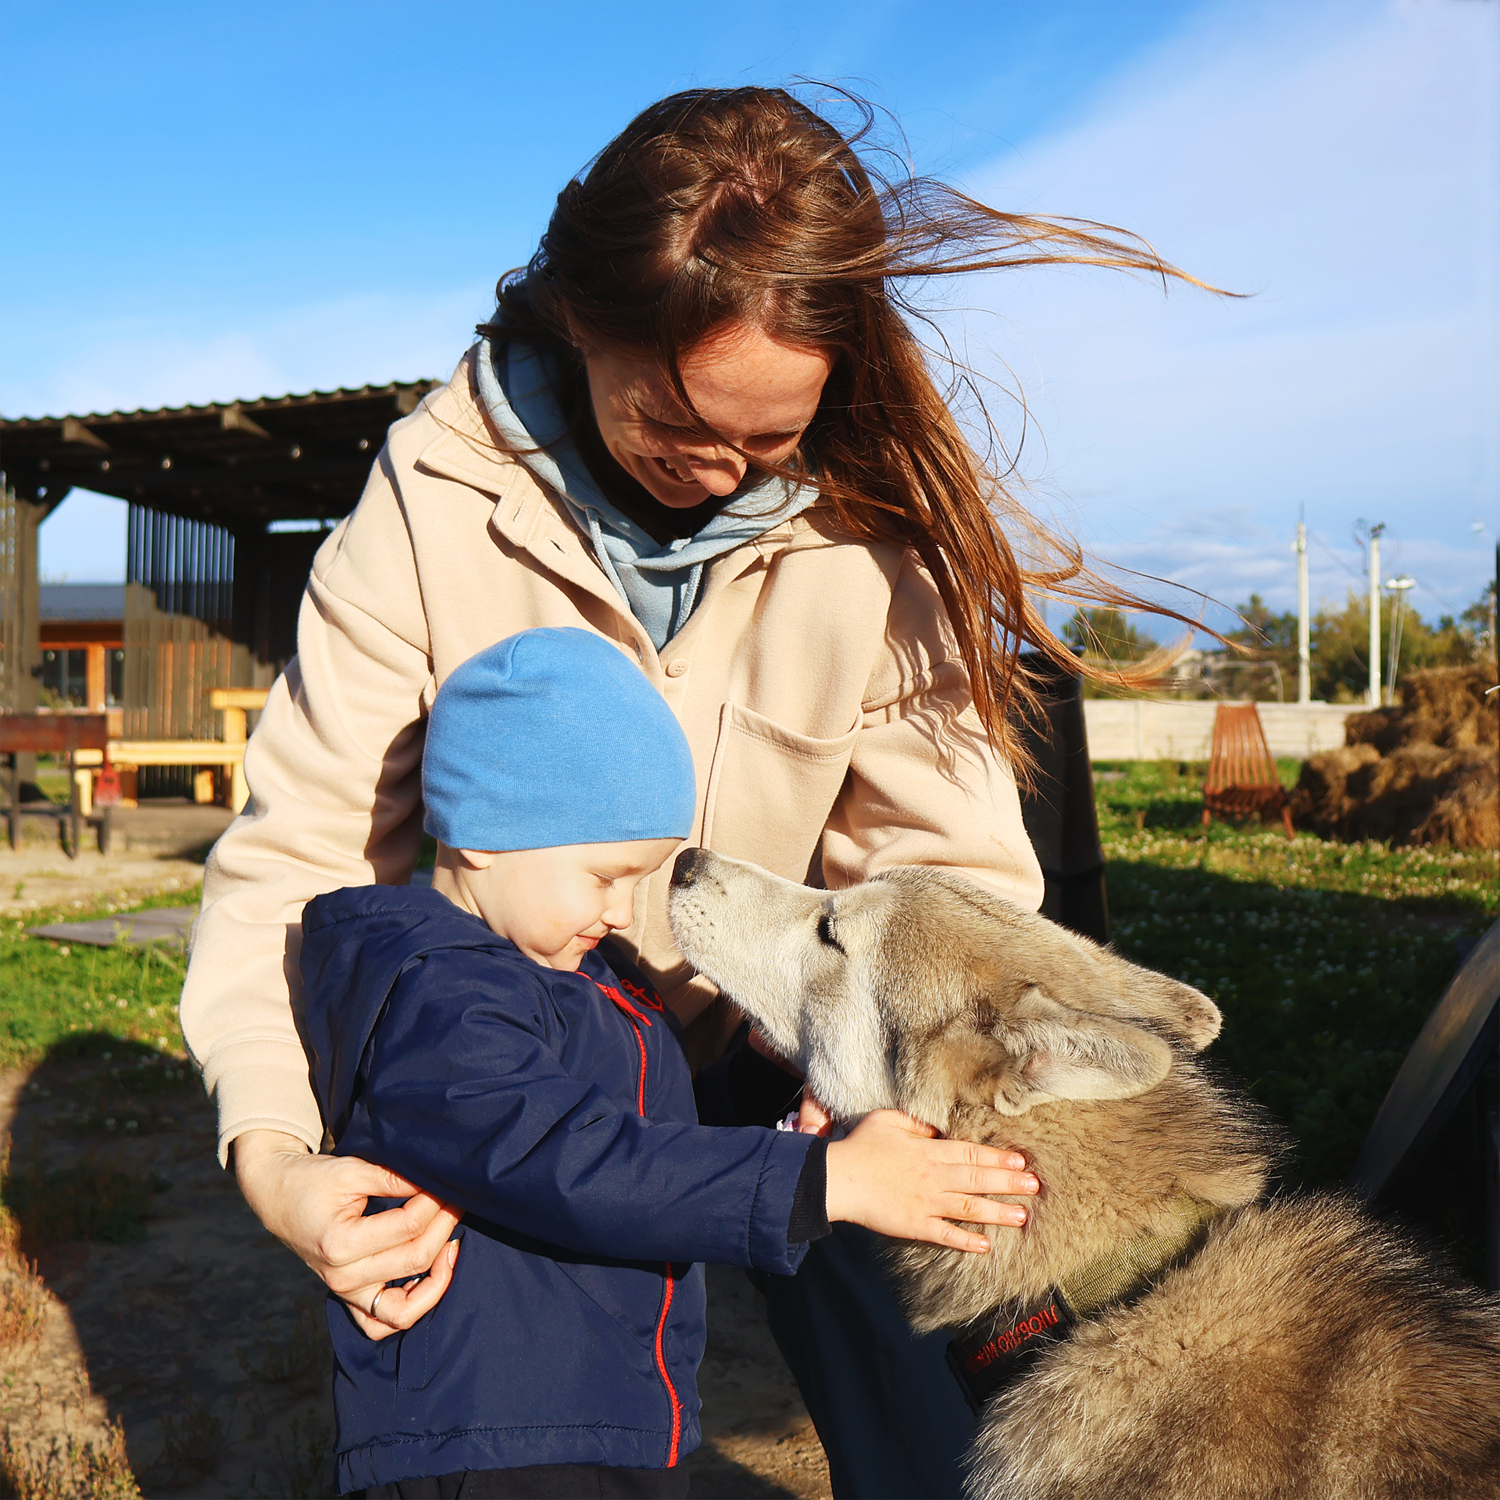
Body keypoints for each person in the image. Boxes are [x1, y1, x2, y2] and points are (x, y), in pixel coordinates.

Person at [182, 86, 1213, 1497]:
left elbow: (949, 874)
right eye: (677, 414)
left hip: (780, 1042)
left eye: (771, 438)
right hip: (530, 1040)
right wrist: (275, 1155)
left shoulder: (879, 533)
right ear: (582, 320)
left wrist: (848, 1101)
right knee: (517, 1434)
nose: (718, 469)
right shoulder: (430, 499)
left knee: (953, 1430)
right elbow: (298, 860)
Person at [301, 626, 1036, 1498]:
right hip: (491, 1439)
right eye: (605, 875)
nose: (620, 911)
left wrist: (770, 1080)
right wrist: (826, 1180)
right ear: (487, 831)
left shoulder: (579, 978)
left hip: (599, 1410)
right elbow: (576, 1161)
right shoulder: (442, 1003)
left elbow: (655, 1126)